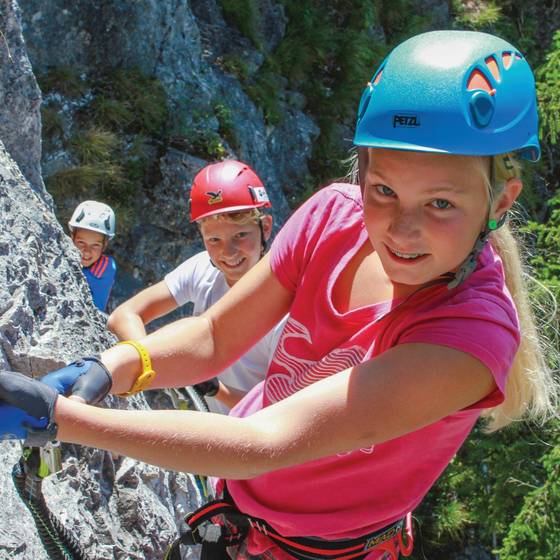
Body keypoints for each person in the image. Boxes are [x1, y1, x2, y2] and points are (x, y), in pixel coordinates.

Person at [1, 30, 558, 560]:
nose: (400, 228)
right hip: (235, 501)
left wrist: (61, 419)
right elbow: (216, 335)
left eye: (440, 203)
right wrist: (118, 364)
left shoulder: (469, 339)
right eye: (384, 190)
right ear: (362, 175)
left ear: (501, 202)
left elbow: (269, 441)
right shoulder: (332, 219)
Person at [107, 159, 284, 413]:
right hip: (216, 430)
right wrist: (150, 364)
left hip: (261, 440)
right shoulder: (202, 269)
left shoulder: (284, 302)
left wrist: (214, 389)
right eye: (214, 239)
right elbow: (123, 315)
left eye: (240, 235)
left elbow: (283, 408)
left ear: (265, 227)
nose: (228, 251)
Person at [68, 200, 117, 312]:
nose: (87, 252)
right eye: (81, 243)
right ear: (71, 237)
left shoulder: (105, 269)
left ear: (105, 245)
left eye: (95, 245)